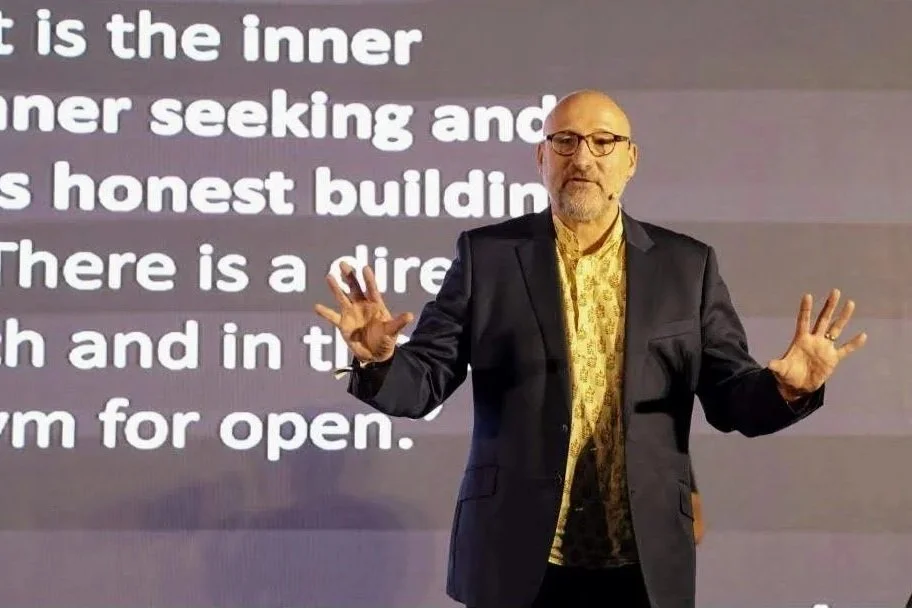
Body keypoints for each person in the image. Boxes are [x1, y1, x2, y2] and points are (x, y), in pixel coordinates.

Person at [315, 90, 867, 608]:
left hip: (641, 560)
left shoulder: (686, 265)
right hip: (516, 554)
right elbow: (425, 380)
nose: (584, 156)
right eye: (565, 141)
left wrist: (788, 387)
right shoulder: (488, 256)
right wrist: (379, 359)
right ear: (542, 157)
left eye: (604, 142)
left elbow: (729, 397)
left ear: (631, 160)